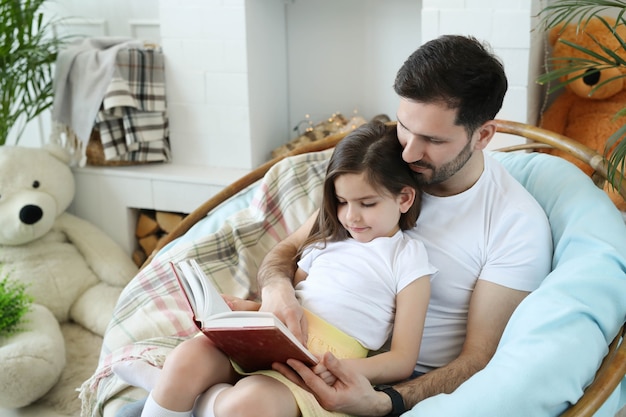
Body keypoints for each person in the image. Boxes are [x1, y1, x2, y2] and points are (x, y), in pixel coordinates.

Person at [258, 34, 553, 416]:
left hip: (395, 387)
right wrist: (276, 288)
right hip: (304, 352)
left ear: (483, 135)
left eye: (432, 139)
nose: (410, 152)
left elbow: (479, 360)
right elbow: (288, 250)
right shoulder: (383, 170)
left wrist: (385, 401)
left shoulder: (514, 225)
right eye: (404, 126)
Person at [114, 120, 437, 417]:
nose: (351, 216)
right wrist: (249, 310)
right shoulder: (329, 238)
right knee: (188, 357)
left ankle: (184, 394)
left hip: (317, 370)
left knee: (248, 403)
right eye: (341, 201)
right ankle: (177, 383)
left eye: (367, 204)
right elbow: (298, 303)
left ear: (404, 198)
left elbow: (402, 360)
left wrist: (347, 369)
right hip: (273, 341)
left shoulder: (408, 258)